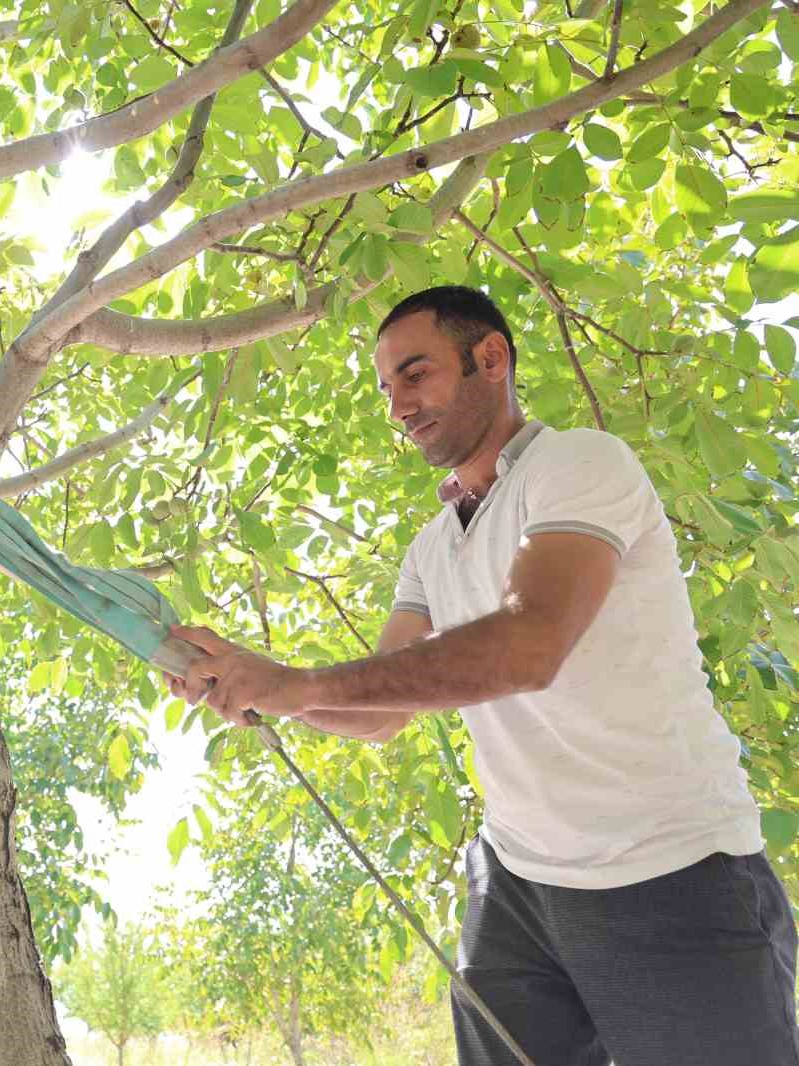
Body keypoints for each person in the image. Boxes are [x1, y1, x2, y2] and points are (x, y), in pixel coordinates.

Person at [168, 286, 797, 1065]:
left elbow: (531, 644)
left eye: (416, 373)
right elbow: (379, 711)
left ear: (491, 358)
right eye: (387, 388)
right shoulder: (431, 548)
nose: (399, 405)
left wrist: (298, 683)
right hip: (517, 886)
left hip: (672, 871)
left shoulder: (580, 462)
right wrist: (248, 679)